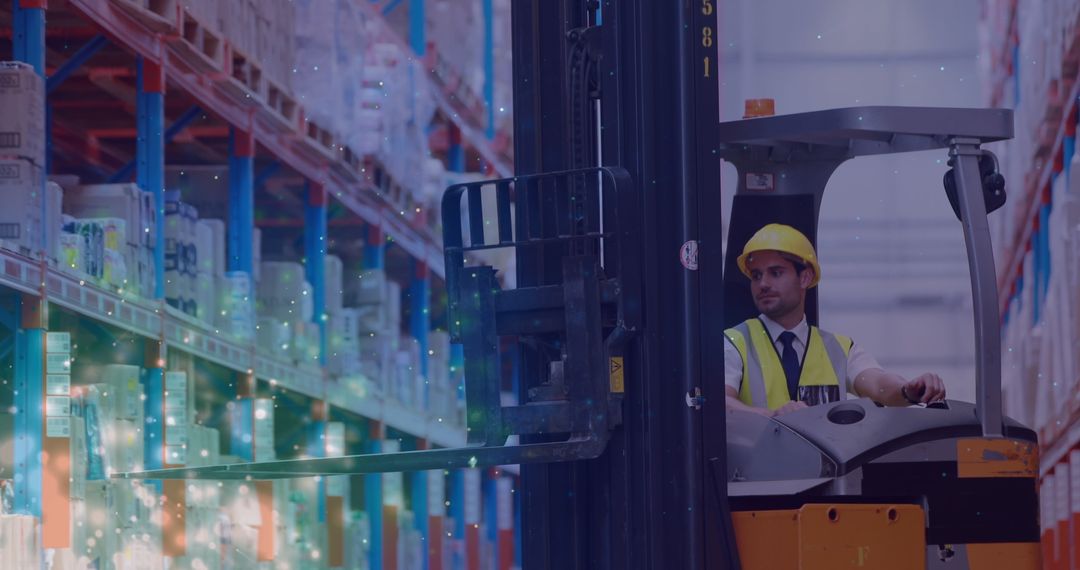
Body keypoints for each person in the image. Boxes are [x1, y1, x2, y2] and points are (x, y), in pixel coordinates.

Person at [724, 223, 946, 417]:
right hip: (758, 466)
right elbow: (721, 404)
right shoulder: (734, 343)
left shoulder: (839, 349)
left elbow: (878, 384)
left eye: (776, 272)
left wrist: (908, 389)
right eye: (756, 275)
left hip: (826, 467)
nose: (763, 284)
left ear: (805, 277)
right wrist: (773, 417)